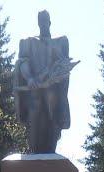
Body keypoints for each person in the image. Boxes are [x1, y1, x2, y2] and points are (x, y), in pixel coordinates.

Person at [13, 10, 76, 153]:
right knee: (34, 117)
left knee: (52, 118)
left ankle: (50, 154)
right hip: (34, 90)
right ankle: (35, 153)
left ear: (50, 22)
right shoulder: (28, 42)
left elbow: (63, 65)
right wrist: (29, 78)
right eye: (40, 20)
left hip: (52, 90)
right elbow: (23, 62)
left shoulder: (60, 42)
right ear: (38, 22)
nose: (43, 24)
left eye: (45, 20)